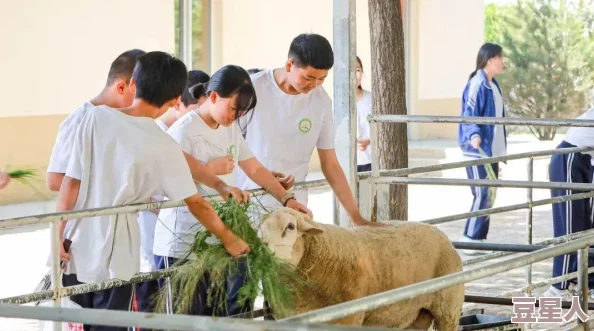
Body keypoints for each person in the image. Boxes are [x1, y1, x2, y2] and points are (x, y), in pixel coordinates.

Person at [56, 51, 250, 331]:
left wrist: (57, 233)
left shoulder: (95, 118)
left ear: (133, 83)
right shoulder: (163, 144)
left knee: (77, 322)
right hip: (117, 254)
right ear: (174, 100)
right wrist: (230, 239)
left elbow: (70, 183)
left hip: (76, 244)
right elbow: (197, 203)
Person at [153, 64, 311, 317]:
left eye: (241, 113)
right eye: (234, 109)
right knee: (186, 321)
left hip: (215, 239)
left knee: (215, 317)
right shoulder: (183, 131)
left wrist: (287, 198)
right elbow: (184, 189)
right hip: (182, 244)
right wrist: (226, 225)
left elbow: (255, 168)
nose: (235, 117)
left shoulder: (229, 127)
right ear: (214, 96)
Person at [236, 33, 377, 227]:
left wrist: (356, 216)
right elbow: (229, 145)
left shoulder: (322, 102)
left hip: (295, 206)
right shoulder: (253, 89)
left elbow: (330, 164)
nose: (314, 85)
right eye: (309, 77)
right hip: (248, 200)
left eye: (322, 79)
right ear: (289, 66)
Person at [457, 42, 507, 254]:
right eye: (500, 58)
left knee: (490, 192)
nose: (503, 62)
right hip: (476, 147)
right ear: (489, 60)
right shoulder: (477, 83)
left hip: (490, 149)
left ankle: (479, 238)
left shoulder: (493, 84)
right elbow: (468, 112)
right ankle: (470, 238)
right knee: (482, 191)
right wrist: (474, 135)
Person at [542, 107, 594, 300]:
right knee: (571, 227)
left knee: (589, 228)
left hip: (588, 160)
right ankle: (560, 286)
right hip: (571, 157)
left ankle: (589, 283)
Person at [355, 56, 372, 172]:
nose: (354, 75)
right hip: (344, 164)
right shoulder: (336, 103)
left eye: (357, 70)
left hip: (371, 161)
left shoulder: (372, 99)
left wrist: (370, 141)